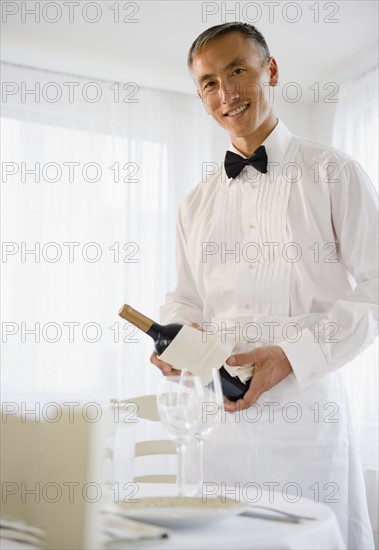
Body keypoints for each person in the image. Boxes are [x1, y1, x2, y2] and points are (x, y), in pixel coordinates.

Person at [151, 22, 377, 549]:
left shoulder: (334, 174)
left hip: (306, 421)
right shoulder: (194, 202)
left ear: (270, 71)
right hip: (219, 425)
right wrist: (179, 340)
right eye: (208, 83)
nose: (225, 94)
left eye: (237, 71)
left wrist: (291, 354)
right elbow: (186, 297)